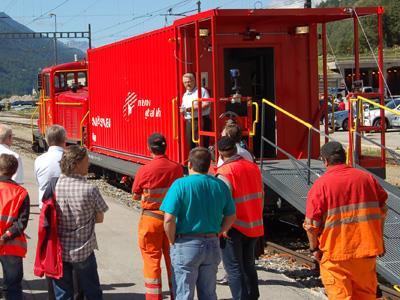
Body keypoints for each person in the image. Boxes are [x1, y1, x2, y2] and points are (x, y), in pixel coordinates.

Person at [303, 141, 387, 300]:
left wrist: (314, 249)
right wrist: (379, 240)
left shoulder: (321, 185)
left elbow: (311, 225)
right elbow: (383, 210)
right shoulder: (367, 179)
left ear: (325, 161)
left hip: (336, 257)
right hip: (366, 253)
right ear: (345, 157)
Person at [160, 147, 236, 300]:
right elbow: (231, 216)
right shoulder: (220, 185)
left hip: (186, 243)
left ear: (189, 165)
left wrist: (172, 240)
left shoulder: (180, 185)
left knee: (184, 294)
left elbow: (168, 219)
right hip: (212, 244)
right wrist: (219, 232)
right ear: (209, 165)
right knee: (208, 294)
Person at [52, 145, 109, 299]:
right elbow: (100, 218)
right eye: (86, 161)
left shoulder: (54, 186)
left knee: (63, 292)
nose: (89, 164)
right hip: (84, 249)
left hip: (60, 249)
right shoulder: (90, 189)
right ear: (76, 164)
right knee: (92, 289)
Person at [132, 133, 183, 299]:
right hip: (172, 220)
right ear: (165, 147)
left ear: (149, 148)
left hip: (150, 220)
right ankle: (177, 293)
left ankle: (154, 296)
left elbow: (135, 194)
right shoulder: (176, 168)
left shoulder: (145, 169)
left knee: (151, 260)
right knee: (173, 259)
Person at [216, 137, 264, 300]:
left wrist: (222, 228)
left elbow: (222, 204)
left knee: (234, 268)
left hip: (233, 228)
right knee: (249, 264)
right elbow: (261, 195)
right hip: (253, 224)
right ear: (236, 150)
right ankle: (252, 296)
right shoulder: (253, 168)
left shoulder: (224, 173)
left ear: (220, 154)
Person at [0, 154, 30, 299]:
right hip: (11, 245)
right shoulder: (21, 193)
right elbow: (21, 223)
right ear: (14, 171)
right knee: (13, 286)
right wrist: (5, 236)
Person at [34, 125, 66, 209]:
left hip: (45, 206)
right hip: (66, 207)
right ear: (65, 139)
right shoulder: (71, 160)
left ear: (46, 140)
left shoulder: (39, 160)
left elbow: (39, 182)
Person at [180, 73, 211, 150]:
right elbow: (184, 107)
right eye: (185, 82)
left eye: (189, 81)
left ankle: (203, 160)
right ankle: (193, 161)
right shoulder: (185, 95)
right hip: (190, 121)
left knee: (202, 145)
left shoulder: (201, 90)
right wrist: (182, 110)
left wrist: (193, 108)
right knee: (191, 144)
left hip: (201, 120)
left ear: (194, 81)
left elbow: (207, 103)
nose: (187, 84)